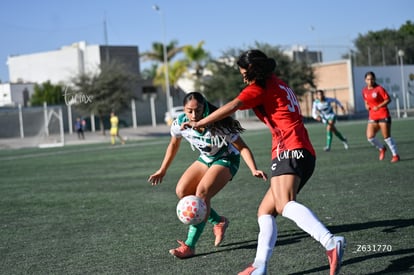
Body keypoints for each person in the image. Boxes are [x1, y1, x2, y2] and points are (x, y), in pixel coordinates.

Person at [182, 50, 346, 275]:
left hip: (290, 148)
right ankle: (259, 266)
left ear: (253, 71)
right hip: (301, 149)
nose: (243, 78)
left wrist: (200, 122)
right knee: (265, 212)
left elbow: (232, 106)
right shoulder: (278, 83)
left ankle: (330, 242)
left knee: (283, 204)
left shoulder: (259, 87)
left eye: (243, 73)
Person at [148, 92, 267, 259]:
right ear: (184, 109)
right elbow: (173, 145)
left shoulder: (218, 124)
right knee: (182, 192)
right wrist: (162, 170)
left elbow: (242, 147)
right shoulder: (180, 123)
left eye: (198, 110)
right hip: (206, 158)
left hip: (227, 158)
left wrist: (253, 168)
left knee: (202, 193)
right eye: (189, 111)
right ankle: (218, 221)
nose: (194, 115)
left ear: (204, 107)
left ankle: (189, 246)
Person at [362, 71, 400, 162]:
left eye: (372, 79)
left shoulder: (379, 89)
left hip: (383, 114)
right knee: (370, 137)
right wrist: (366, 105)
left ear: (374, 79)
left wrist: (378, 106)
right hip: (372, 116)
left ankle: (395, 155)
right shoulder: (364, 90)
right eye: (368, 79)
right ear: (365, 80)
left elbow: (388, 99)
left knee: (386, 137)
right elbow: (366, 101)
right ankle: (382, 148)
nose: (370, 81)